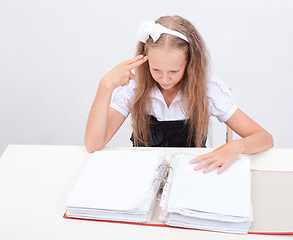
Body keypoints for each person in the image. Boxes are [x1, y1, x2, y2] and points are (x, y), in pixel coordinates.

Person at [84, 15, 273, 174]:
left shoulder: (207, 92)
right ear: (144, 60)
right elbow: (93, 144)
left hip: (191, 175)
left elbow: (264, 137)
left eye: (174, 71)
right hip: (144, 175)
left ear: (190, 64)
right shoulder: (134, 89)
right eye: (156, 69)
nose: (164, 79)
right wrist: (105, 86)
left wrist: (235, 147)